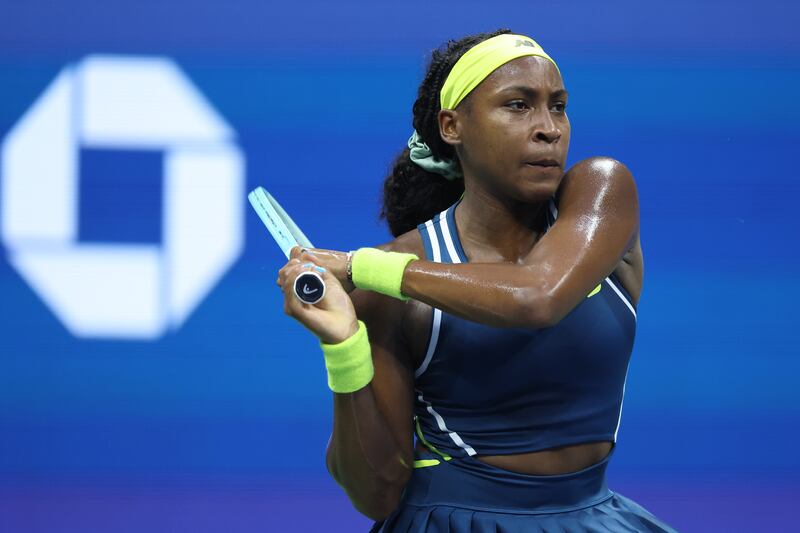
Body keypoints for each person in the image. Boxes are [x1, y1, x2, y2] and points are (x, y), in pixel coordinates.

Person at [276, 29, 677, 532]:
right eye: (518, 105)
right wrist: (344, 347)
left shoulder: (602, 189)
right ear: (452, 126)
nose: (548, 128)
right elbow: (375, 492)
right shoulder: (397, 275)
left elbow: (537, 295)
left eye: (558, 106)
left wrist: (363, 269)